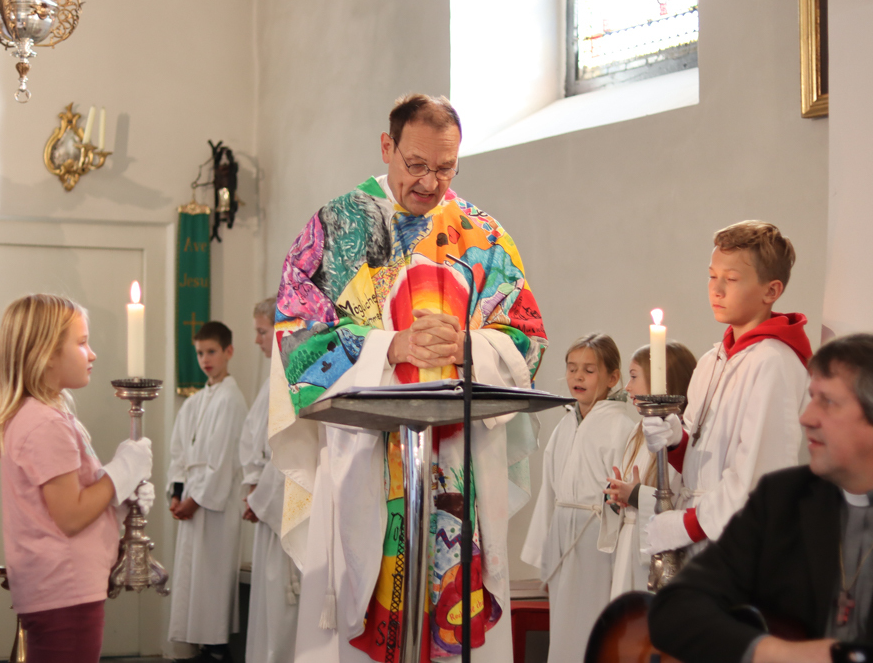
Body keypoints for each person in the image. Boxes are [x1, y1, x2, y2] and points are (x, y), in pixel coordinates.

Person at [269, 93, 548, 662]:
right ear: (387, 146)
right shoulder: (338, 226)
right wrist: (391, 346)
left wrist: (470, 346)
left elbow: (528, 339)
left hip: (457, 463)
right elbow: (297, 338)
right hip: (364, 456)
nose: (429, 182)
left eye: (445, 168)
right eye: (416, 164)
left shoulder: (483, 236)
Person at [648, 333, 873, 663]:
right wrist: (776, 652)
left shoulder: (772, 358)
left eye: (827, 402)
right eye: (812, 397)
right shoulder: (784, 499)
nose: (806, 417)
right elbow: (674, 607)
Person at [0, 293, 154, 663]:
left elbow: (73, 499)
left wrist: (122, 496)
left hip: (62, 587)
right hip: (64, 588)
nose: (92, 354)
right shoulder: (44, 423)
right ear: (46, 354)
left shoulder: (45, 416)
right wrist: (121, 472)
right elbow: (71, 515)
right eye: (81, 343)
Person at [641, 221, 812, 558]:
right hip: (701, 535)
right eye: (712, 275)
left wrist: (686, 526)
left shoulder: (773, 362)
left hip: (739, 544)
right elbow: (702, 464)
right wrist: (676, 442)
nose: (716, 290)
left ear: (771, 291)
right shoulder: (712, 360)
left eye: (731, 279)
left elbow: (759, 478)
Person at [520, 333, 634, 662]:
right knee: (563, 626)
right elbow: (550, 491)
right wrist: (544, 551)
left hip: (597, 538)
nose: (577, 377)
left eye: (589, 370)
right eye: (571, 369)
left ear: (612, 377)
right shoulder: (565, 425)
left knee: (593, 621)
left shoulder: (621, 426)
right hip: (562, 533)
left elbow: (624, 492)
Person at [167, 321, 249, 663]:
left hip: (215, 506)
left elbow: (222, 460)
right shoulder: (195, 402)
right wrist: (177, 494)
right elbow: (178, 452)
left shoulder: (231, 399)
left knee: (212, 580)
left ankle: (216, 647)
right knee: (192, 582)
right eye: (200, 353)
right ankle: (199, 646)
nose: (205, 359)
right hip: (191, 502)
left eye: (212, 352)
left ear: (228, 352)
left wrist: (195, 501)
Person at [598, 341, 696, 598]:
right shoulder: (638, 430)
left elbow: (681, 499)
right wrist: (618, 495)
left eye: (633, 377)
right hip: (629, 541)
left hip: (654, 551)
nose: (627, 387)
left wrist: (635, 494)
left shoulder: (678, 436)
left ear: (661, 381)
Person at [241, 297, 300, 663]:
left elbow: (287, 455)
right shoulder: (272, 381)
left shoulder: (293, 379)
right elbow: (252, 441)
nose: (257, 340)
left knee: (282, 607)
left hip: (282, 507)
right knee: (267, 603)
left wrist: (257, 498)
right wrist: (254, 491)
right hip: (267, 504)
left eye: (262, 332)